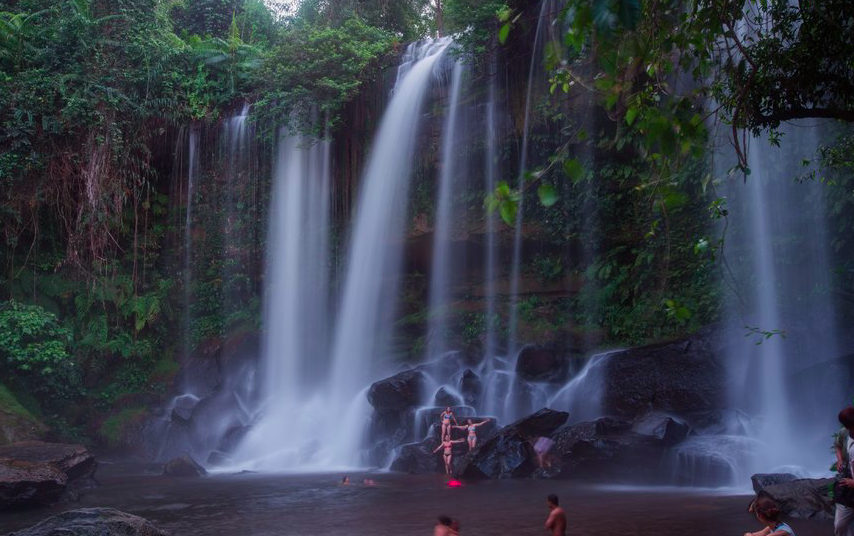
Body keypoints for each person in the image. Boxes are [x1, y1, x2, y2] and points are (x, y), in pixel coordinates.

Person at [835, 407, 854, 536]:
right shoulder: (845, 433)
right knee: (840, 525)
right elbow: (837, 445)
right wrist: (840, 460)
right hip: (848, 483)